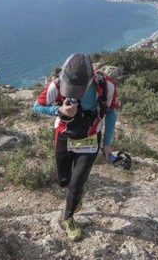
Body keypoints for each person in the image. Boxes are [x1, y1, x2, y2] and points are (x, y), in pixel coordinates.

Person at [33, 53, 118, 241]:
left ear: (91, 79)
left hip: (90, 139)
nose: (72, 92)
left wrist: (107, 144)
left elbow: (111, 114)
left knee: (75, 185)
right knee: (64, 181)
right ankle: (78, 191)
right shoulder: (56, 84)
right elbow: (37, 106)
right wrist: (59, 110)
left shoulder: (106, 85)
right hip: (64, 137)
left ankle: (68, 218)